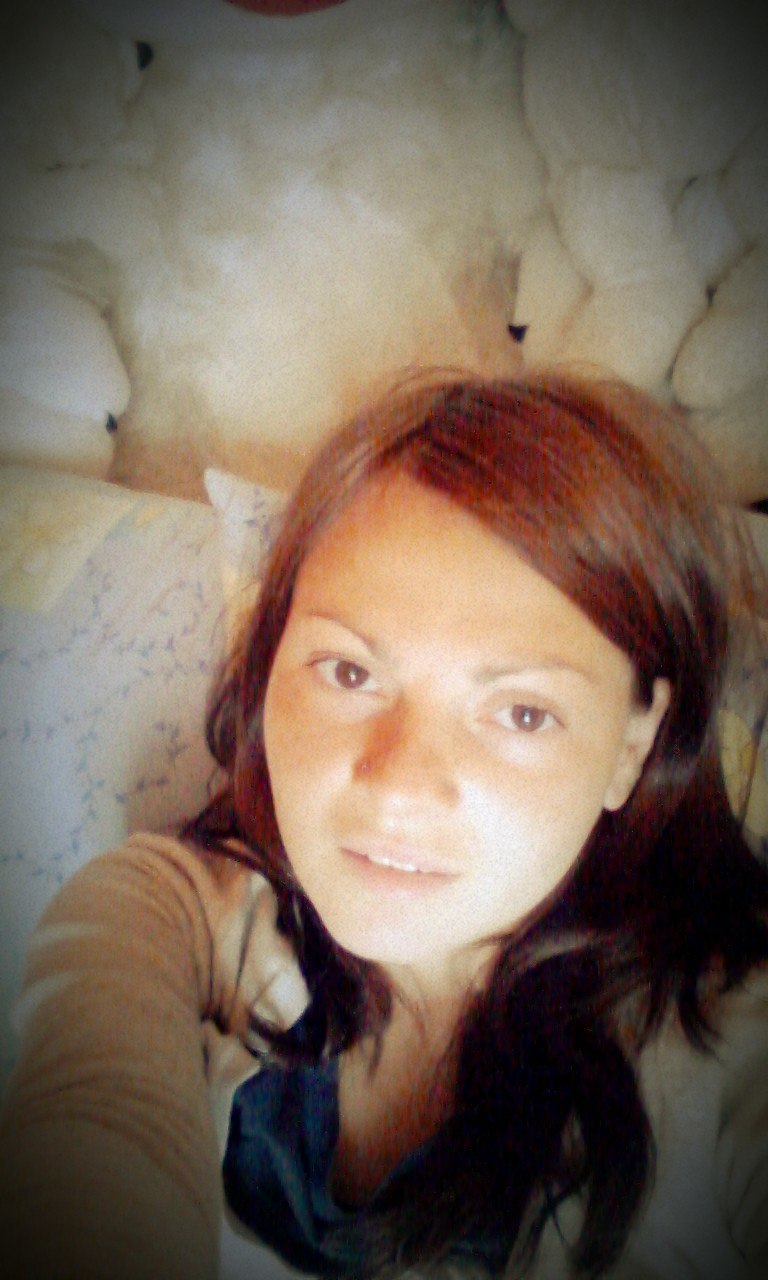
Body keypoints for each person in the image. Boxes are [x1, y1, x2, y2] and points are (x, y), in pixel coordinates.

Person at [1, 372, 767, 1280]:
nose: (398, 786)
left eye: (522, 713)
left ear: (630, 749)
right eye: (349, 672)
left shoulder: (731, 1041)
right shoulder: (169, 917)